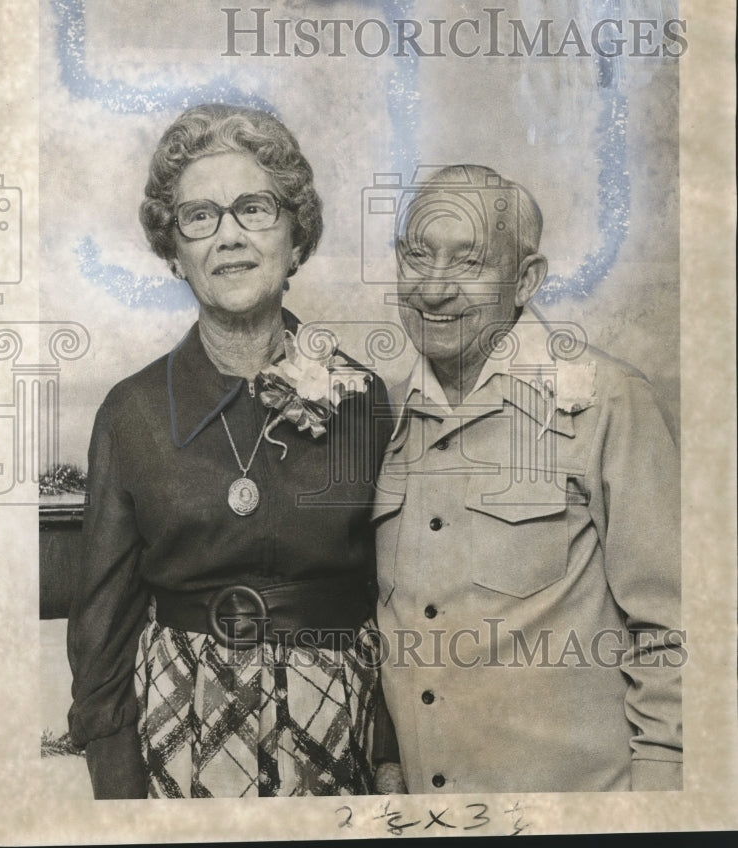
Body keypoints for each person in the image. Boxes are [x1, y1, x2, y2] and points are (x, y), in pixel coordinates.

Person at [67, 103, 392, 798]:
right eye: (200, 217)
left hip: (341, 720)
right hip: (181, 723)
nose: (230, 237)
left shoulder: (365, 399)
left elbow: (395, 593)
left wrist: (391, 752)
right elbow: (101, 628)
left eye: (254, 209)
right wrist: (119, 789)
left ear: (296, 238)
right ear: (174, 252)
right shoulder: (132, 412)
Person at [372, 164, 682, 793]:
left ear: (526, 280)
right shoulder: (385, 419)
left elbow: (676, 631)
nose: (434, 289)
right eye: (417, 255)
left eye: (469, 262)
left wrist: (660, 805)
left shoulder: (608, 403)